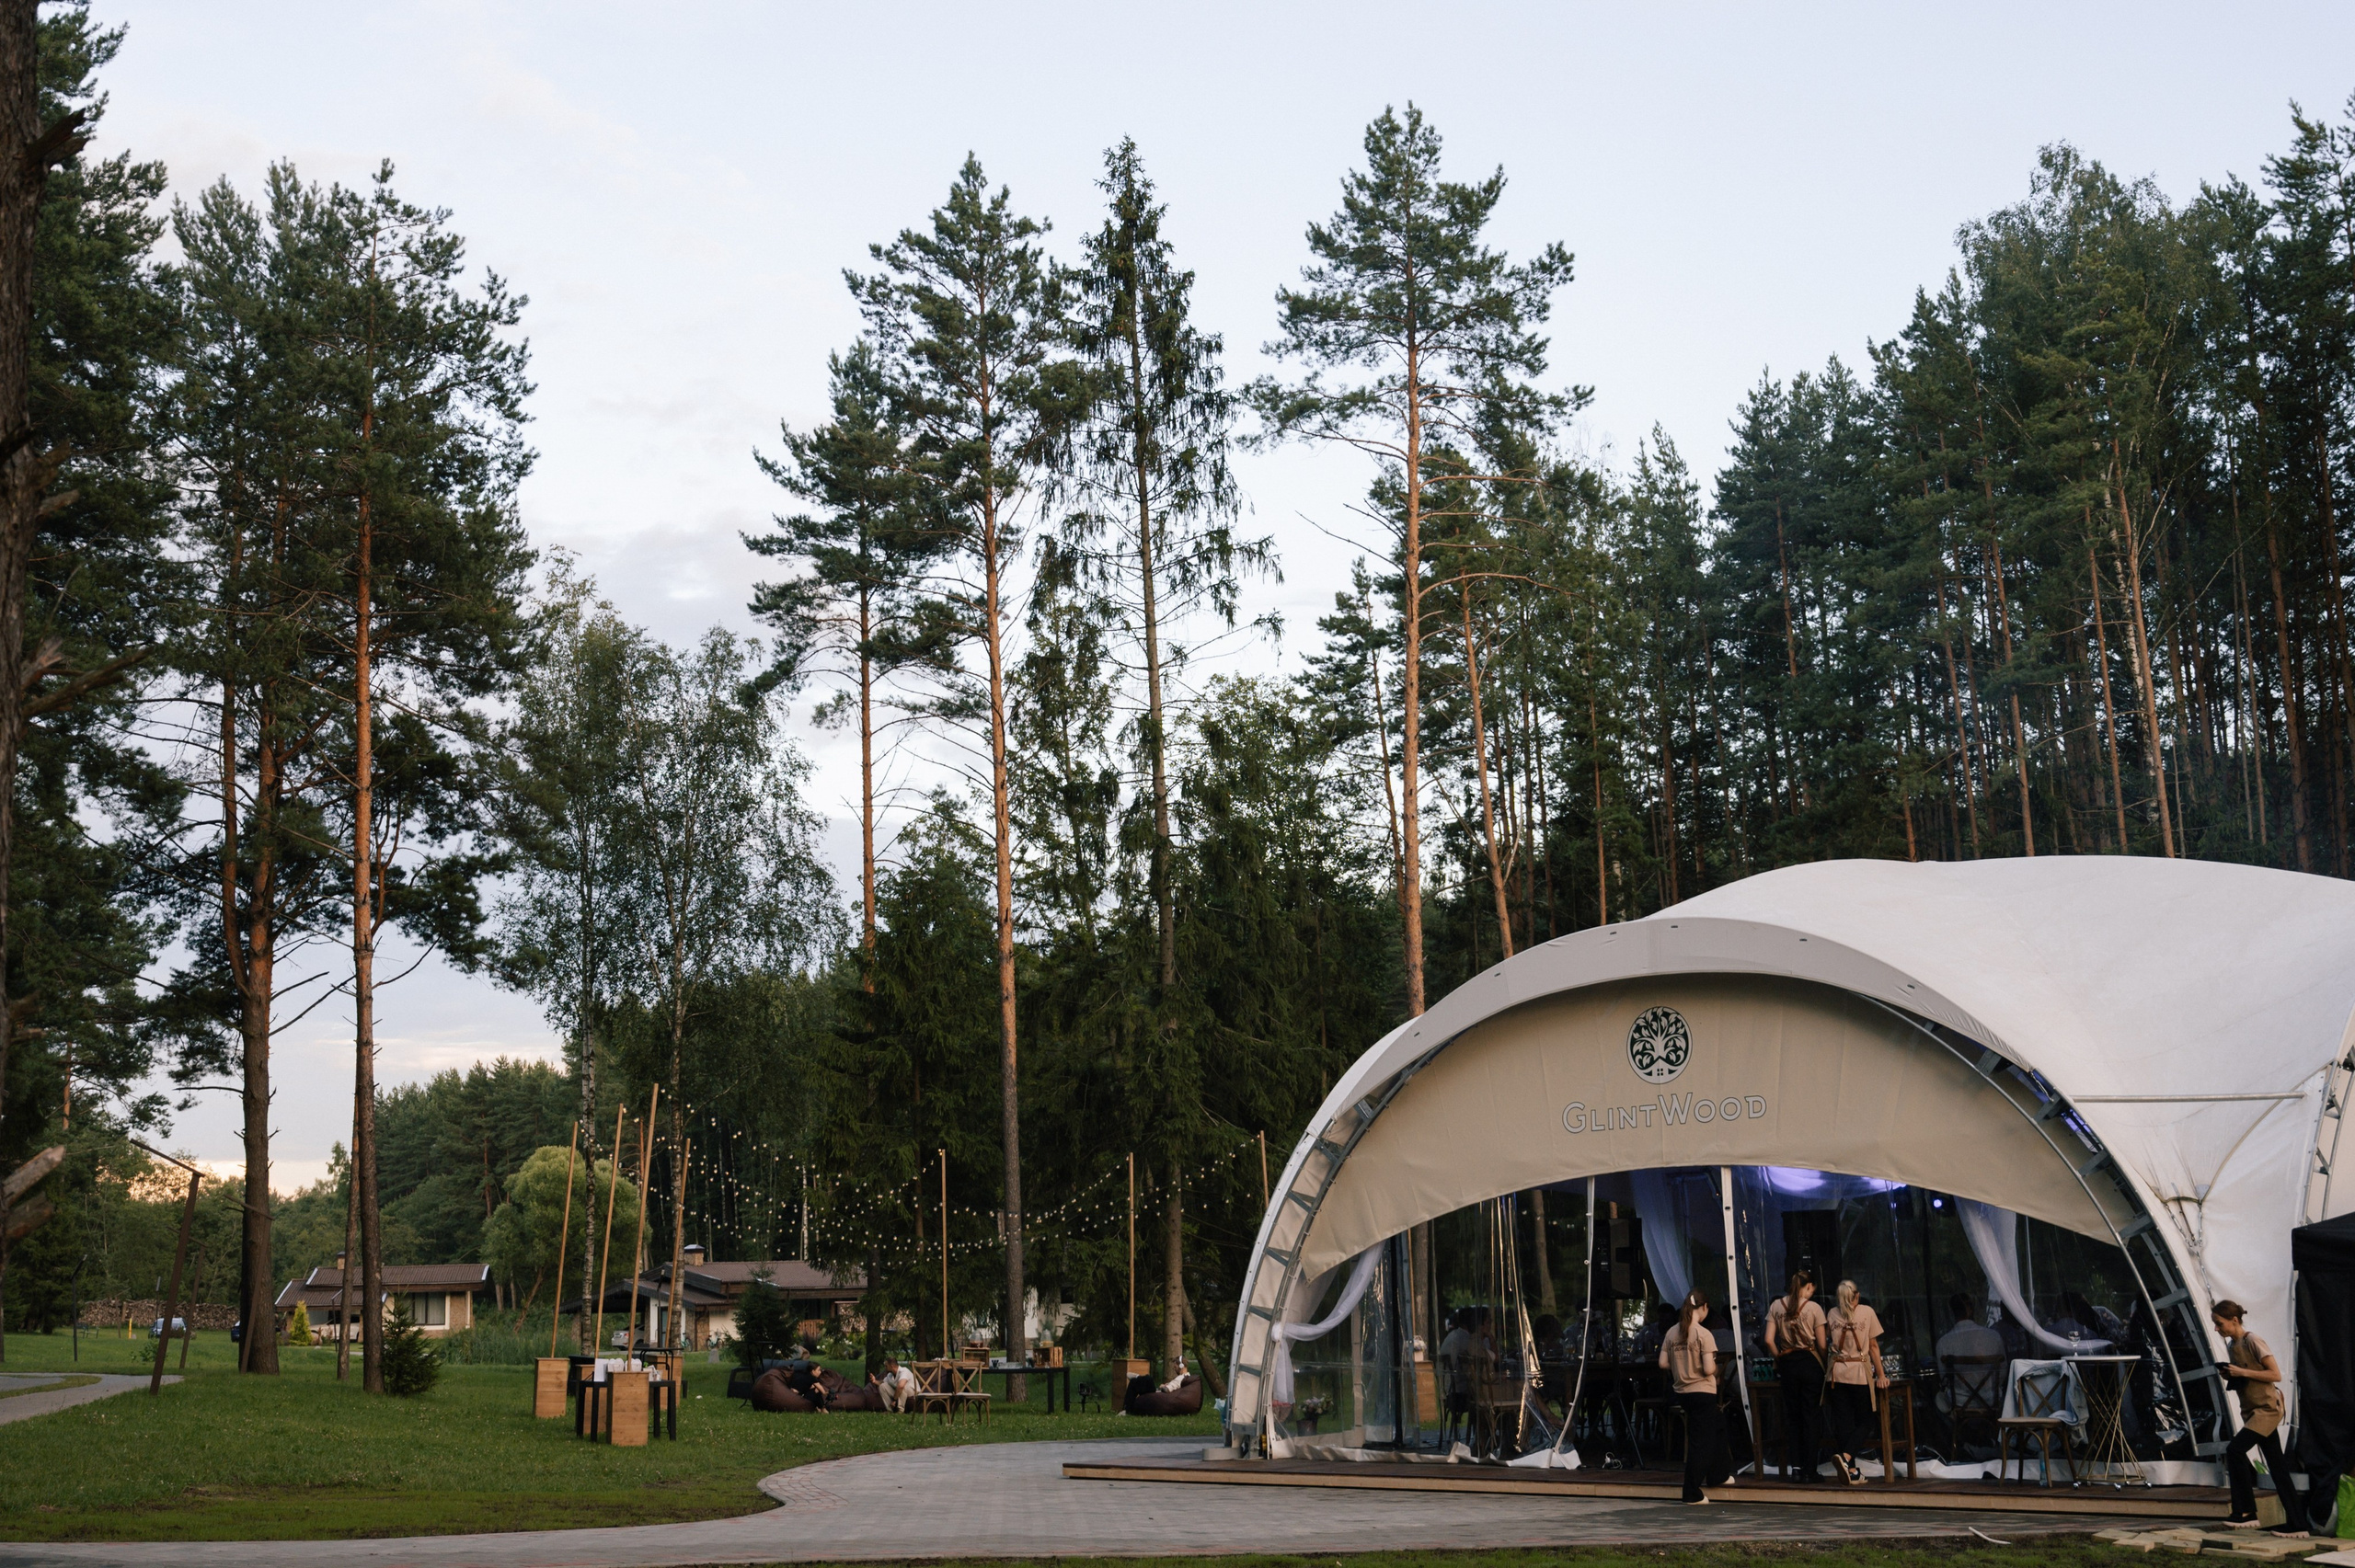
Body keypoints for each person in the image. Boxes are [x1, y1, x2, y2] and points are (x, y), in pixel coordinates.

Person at [2213, 1300, 2299, 1534]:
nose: (2216, 1329)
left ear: (2234, 1320)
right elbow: (2249, 1376)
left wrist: (2241, 1371)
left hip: (2267, 1410)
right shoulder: (2232, 1344)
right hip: (2252, 1410)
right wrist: (2231, 1374)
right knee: (2277, 1467)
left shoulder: (2252, 1340)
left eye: (2219, 1323)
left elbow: (2275, 1374)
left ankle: (2246, 1513)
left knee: (2235, 1450)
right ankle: (2298, 1523)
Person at [1660, 1288, 1732, 1504]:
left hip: (1683, 1392)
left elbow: (1663, 1363)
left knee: (1718, 1426)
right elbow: (1709, 1369)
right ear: (1704, 1307)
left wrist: (1681, 1366)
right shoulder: (1703, 1334)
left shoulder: (1672, 1332)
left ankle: (1719, 1474)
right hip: (1703, 1391)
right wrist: (1716, 1370)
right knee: (1701, 1442)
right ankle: (1691, 1491)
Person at [1823, 1279, 1889, 1486]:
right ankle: (1846, 1458)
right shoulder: (1867, 1312)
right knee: (1866, 1422)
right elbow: (1874, 1346)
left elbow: (1826, 1341)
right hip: (1859, 1373)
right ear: (1857, 1296)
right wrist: (1881, 1375)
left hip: (1836, 1374)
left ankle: (1851, 1471)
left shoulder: (1832, 1314)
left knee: (1843, 1423)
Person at [1765, 1270, 1827, 1482]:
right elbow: (1822, 1344)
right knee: (1811, 1416)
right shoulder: (1814, 1308)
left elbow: (1768, 1340)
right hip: (1810, 1362)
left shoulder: (1776, 1306)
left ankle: (1797, 1468)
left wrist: (1779, 1358)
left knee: (1793, 1417)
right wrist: (1825, 1363)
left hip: (1788, 1364)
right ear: (1808, 1286)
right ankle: (1810, 1470)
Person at [1935, 1293, 2005, 1418]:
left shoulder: (1943, 1342)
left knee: (1937, 1403)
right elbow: (2003, 1373)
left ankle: (1955, 1430)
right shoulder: (1994, 1337)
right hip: (1990, 1400)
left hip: (1960, 1403)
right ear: (1972, 1310)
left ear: (1952, 1313)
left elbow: (1944, 1377)